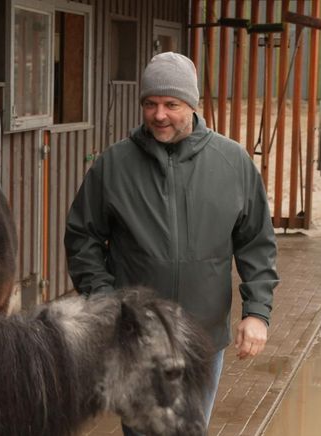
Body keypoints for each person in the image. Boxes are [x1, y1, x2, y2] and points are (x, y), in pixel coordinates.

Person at [64, 52, 279, 434]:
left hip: (203, 338)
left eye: (170, 104)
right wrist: (107, 303)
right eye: (150, 103)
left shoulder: (232, 162)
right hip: (138, 338)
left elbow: (256, 242)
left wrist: (257, 311)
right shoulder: (114, 165)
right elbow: (83, 238)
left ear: (191, 106)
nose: (159, 114)